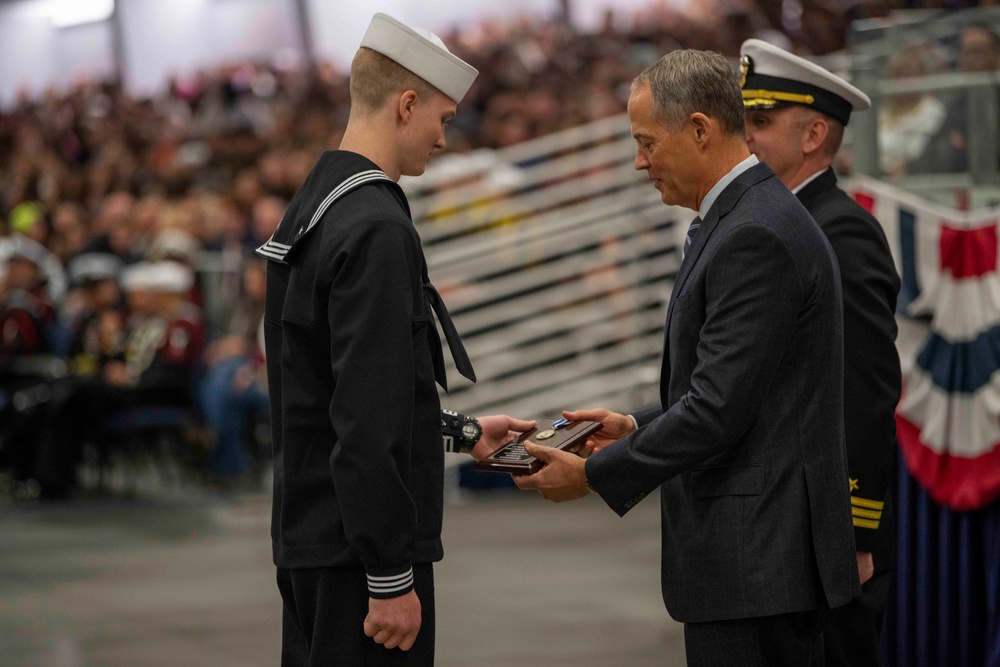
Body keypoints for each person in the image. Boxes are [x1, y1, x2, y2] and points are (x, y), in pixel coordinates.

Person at [513, 49, 860, 665]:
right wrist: (633, 425)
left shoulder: (753, 231)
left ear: (700, 129)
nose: (640, 161)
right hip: (758, 562)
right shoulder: (740, 217)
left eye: (647, 142)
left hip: (761, 566)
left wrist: (595, 473)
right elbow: (738, 387)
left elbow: (718, 410)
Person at [254, 13, 533, 665]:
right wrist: (389, 576)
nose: (443, 138)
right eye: (442, 118)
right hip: (360, 557)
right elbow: (363, 417)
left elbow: (335, 388)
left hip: (312, 536)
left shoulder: (316, 204)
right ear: (407, 104)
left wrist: (462, 431)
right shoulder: (376, 225)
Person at [739, 38, 902, 666]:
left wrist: (855, 531)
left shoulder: (842, 230)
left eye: (760, 121)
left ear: (813, 135)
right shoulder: (784, 223)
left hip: (828, 529)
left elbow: (865, 390)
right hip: (784, 522)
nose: (744, 136)